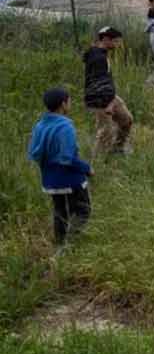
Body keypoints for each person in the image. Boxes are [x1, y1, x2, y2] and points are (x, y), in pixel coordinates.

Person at [27, 88, 93, 246]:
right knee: (83, 210)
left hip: (50, 181)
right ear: (63, 104)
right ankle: (72, 243)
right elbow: (67, 158)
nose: (70, 103)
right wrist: (87, 168)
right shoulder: (65, 126)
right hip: (70, 180)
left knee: (60, 212)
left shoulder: (40, 125)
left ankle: (60, 244)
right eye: (69, 101)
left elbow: (34, 153)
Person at [83, 26, 132, 156]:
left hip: (108, 95)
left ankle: (117, 149)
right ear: (105, 39)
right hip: (100, 99)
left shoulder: (99, 53)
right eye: (116, 41)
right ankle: (96, 163)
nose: (118, 44)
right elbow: (100, 85)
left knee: (126, 119)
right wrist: (109, 104)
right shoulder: (98, 58)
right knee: (106, 132)